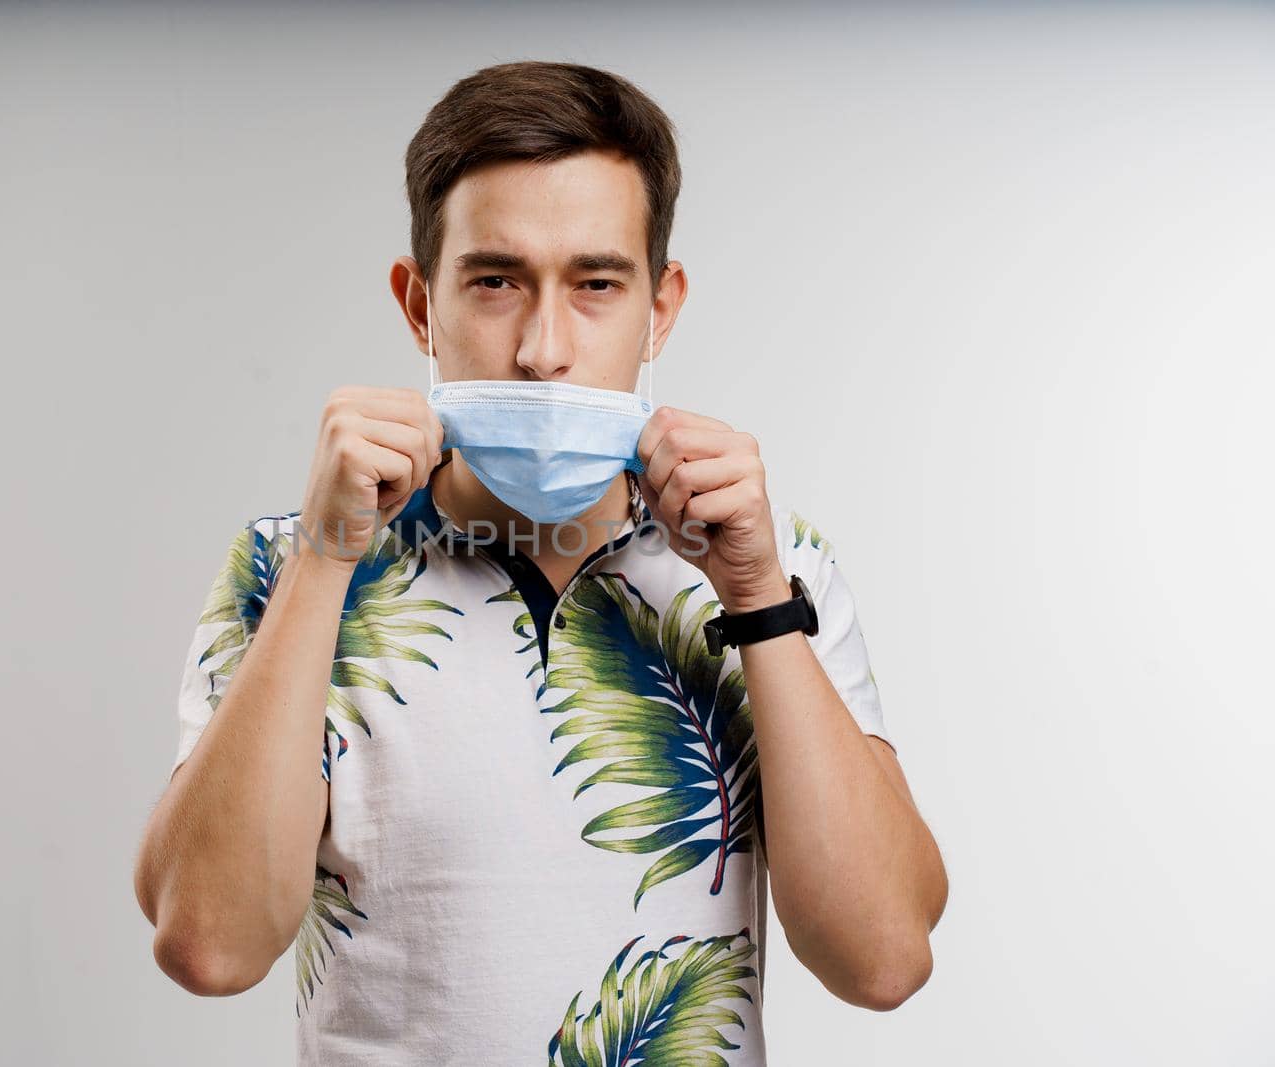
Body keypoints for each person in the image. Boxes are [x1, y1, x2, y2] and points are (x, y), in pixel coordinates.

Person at [133, 60, 947, 1065]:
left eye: (597, 284)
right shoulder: (283, 560)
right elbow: (209, 943)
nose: (543, 349)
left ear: (660, 307)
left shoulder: (778, 569)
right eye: (495, 282)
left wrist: (755, 599)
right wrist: (323, 558)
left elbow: (883, 958)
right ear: (419, 303)